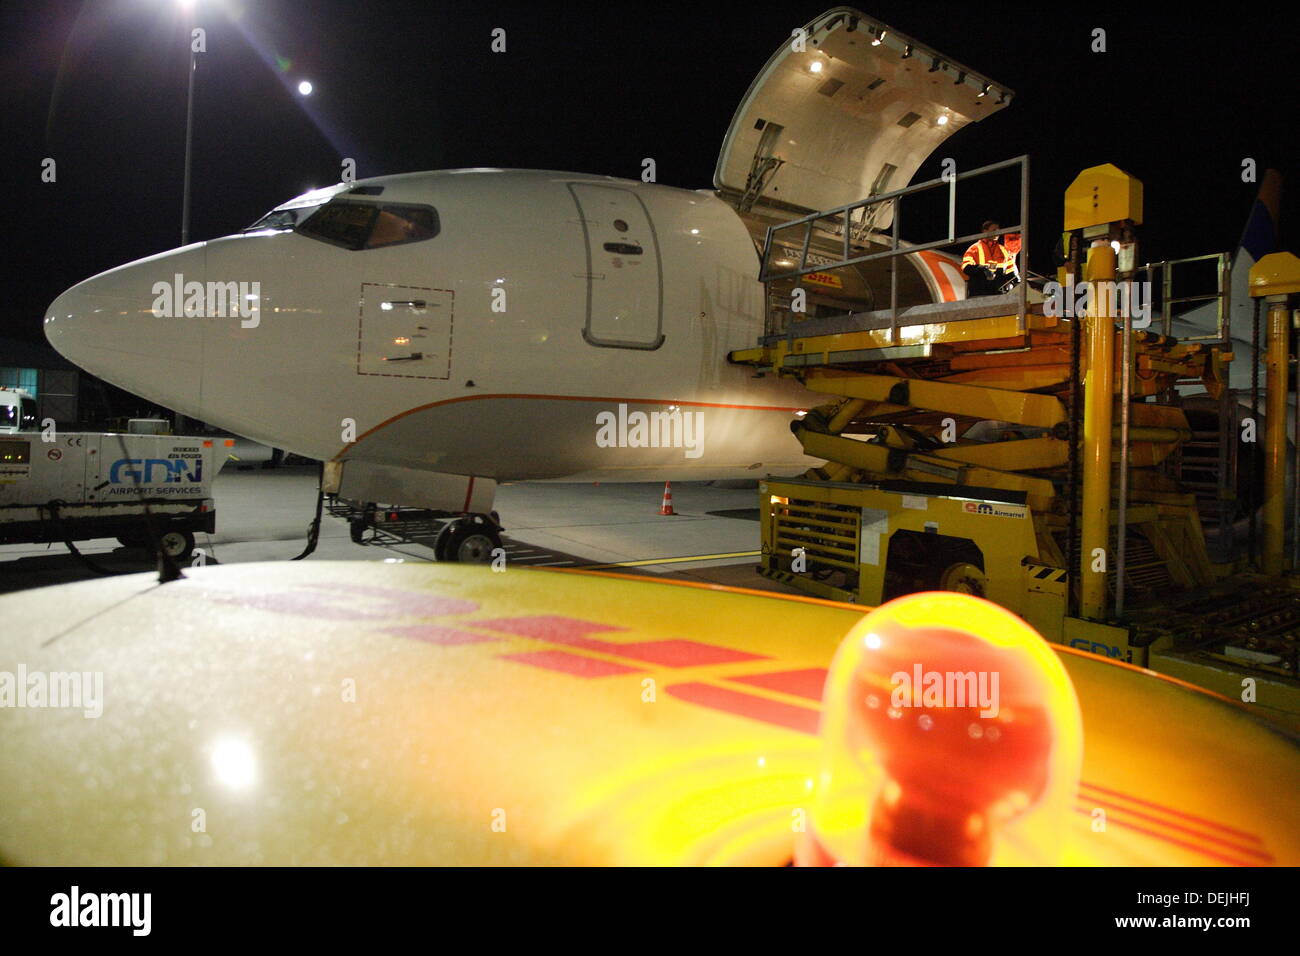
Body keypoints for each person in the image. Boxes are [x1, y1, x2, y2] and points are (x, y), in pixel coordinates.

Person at [961, 220, 1020, 297]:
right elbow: (966, 268)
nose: (997, 233)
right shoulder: (974, 248)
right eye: (994, 230)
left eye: (998, 231)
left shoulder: (1004, 250)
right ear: (985, 231)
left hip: (999, 295)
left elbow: (1012, 274)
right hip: (979, 295)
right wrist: (983, 268)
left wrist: (1019, 283)